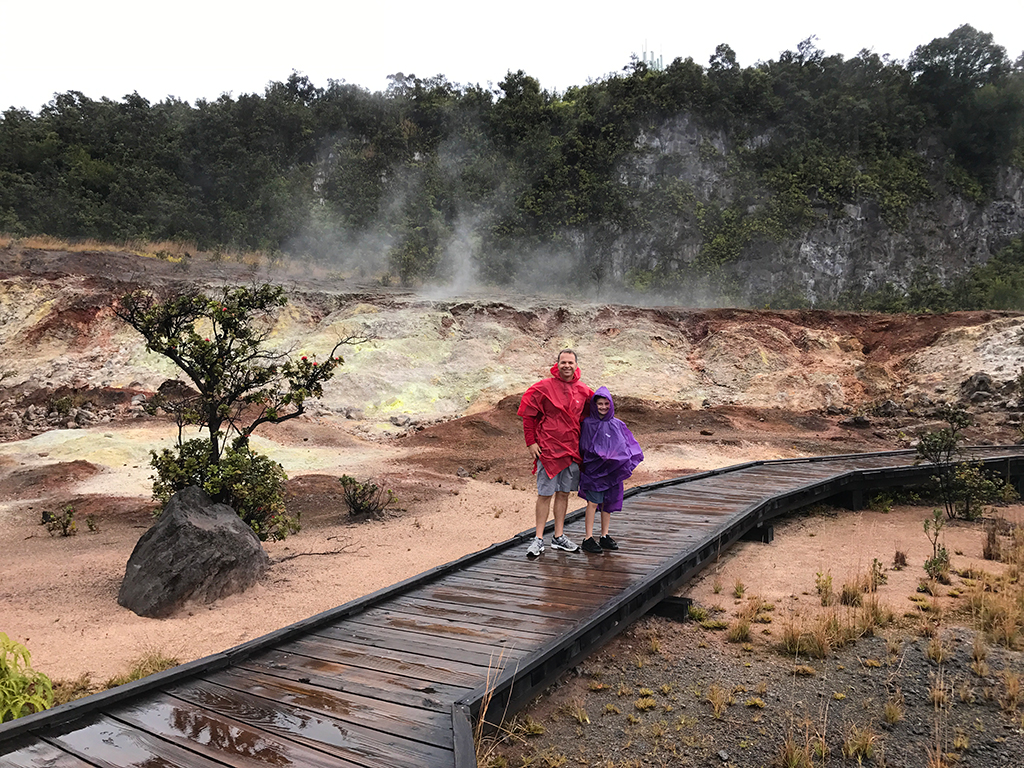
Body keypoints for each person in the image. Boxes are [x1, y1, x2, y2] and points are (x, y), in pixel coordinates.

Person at [517, 348, 594, 558]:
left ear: (576, 365)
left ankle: (558, 537)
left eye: (570, 362)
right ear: (557, 365)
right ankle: (538, 538)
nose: (567, 366)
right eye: (563, 362)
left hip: (571, 450)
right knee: (544, 494)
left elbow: (596, 414)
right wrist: (531, 442)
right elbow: (528, 415)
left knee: (563, 494)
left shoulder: (583, 391)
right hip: (548, 449)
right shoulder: (544, 387)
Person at [578, 386, 644, 554]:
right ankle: (588, 538)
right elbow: (584, 446)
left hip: (612, 471)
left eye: (606, 403)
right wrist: (600, 455)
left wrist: (619, 459)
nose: (603, 407)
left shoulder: (617, 424)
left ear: (611, 404)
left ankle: (604, 535)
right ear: (594, 405)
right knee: (593, 503)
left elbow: (626, 445)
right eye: (600, 404)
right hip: (594, 471)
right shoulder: (588, 423)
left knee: (607, 503)